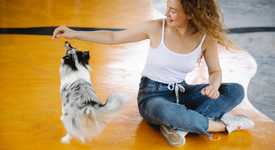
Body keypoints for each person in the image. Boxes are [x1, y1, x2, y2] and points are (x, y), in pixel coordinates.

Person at [52, 0, 254, 147]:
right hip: (152, 96)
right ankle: (223, 125)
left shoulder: (205, 38)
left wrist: (214, 85)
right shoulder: (157, 27)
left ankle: (179, 125)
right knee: (168, 112)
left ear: (191, 13)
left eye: (174, 11)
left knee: (235, 91)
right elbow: (114, 36)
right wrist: (74, 32)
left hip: (182, 93)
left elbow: (215, 70)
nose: (168, 13)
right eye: (168, 8)